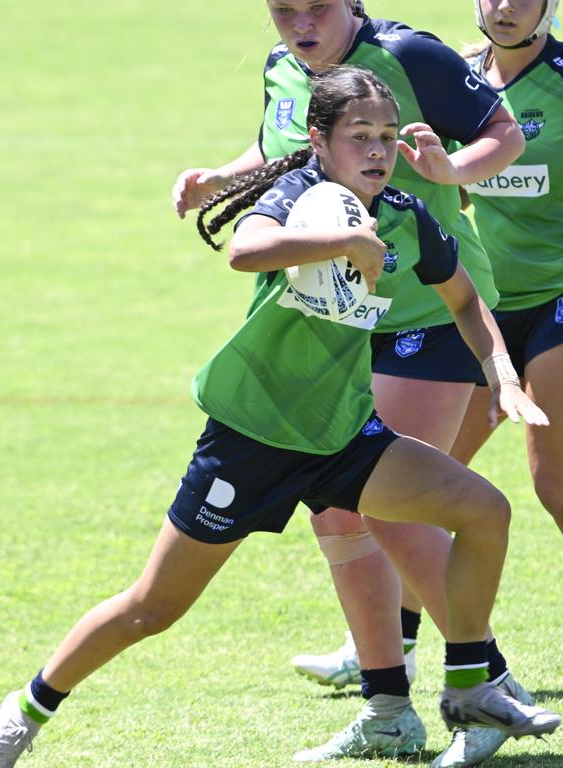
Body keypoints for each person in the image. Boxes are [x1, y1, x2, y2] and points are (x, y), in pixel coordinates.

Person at [0, 66, 558, 768]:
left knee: (485, 511)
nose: (375, 149)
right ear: (320, 140)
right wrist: (340, 244)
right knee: (153, 608)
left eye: (387, 136)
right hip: (251, 439)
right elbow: (245, 250)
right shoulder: (298, 195)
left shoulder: (401, 210)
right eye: (358, 135)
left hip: (343, 436)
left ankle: (468, 689)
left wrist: (499, 373)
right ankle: (23, 714)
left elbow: (462, 298)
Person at [173, 1, 535, 759]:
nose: (299, 22)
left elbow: (501, 130)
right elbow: (278, 149)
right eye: (283, 9)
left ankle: (489, 686)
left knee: (389, 513)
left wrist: (451, 169)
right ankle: (388, 701)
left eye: (315, 7)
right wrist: (221, 179)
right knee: (340, 512)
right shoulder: (286, 69)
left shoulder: (411, 55)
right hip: (337, 322)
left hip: (423, 316)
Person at [419, 2, 563, 766]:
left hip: (559, 305)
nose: (505, 6)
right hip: (486, 312)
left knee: (553, 486)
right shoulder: (463, 80)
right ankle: (386, 649)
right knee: (427, 477)